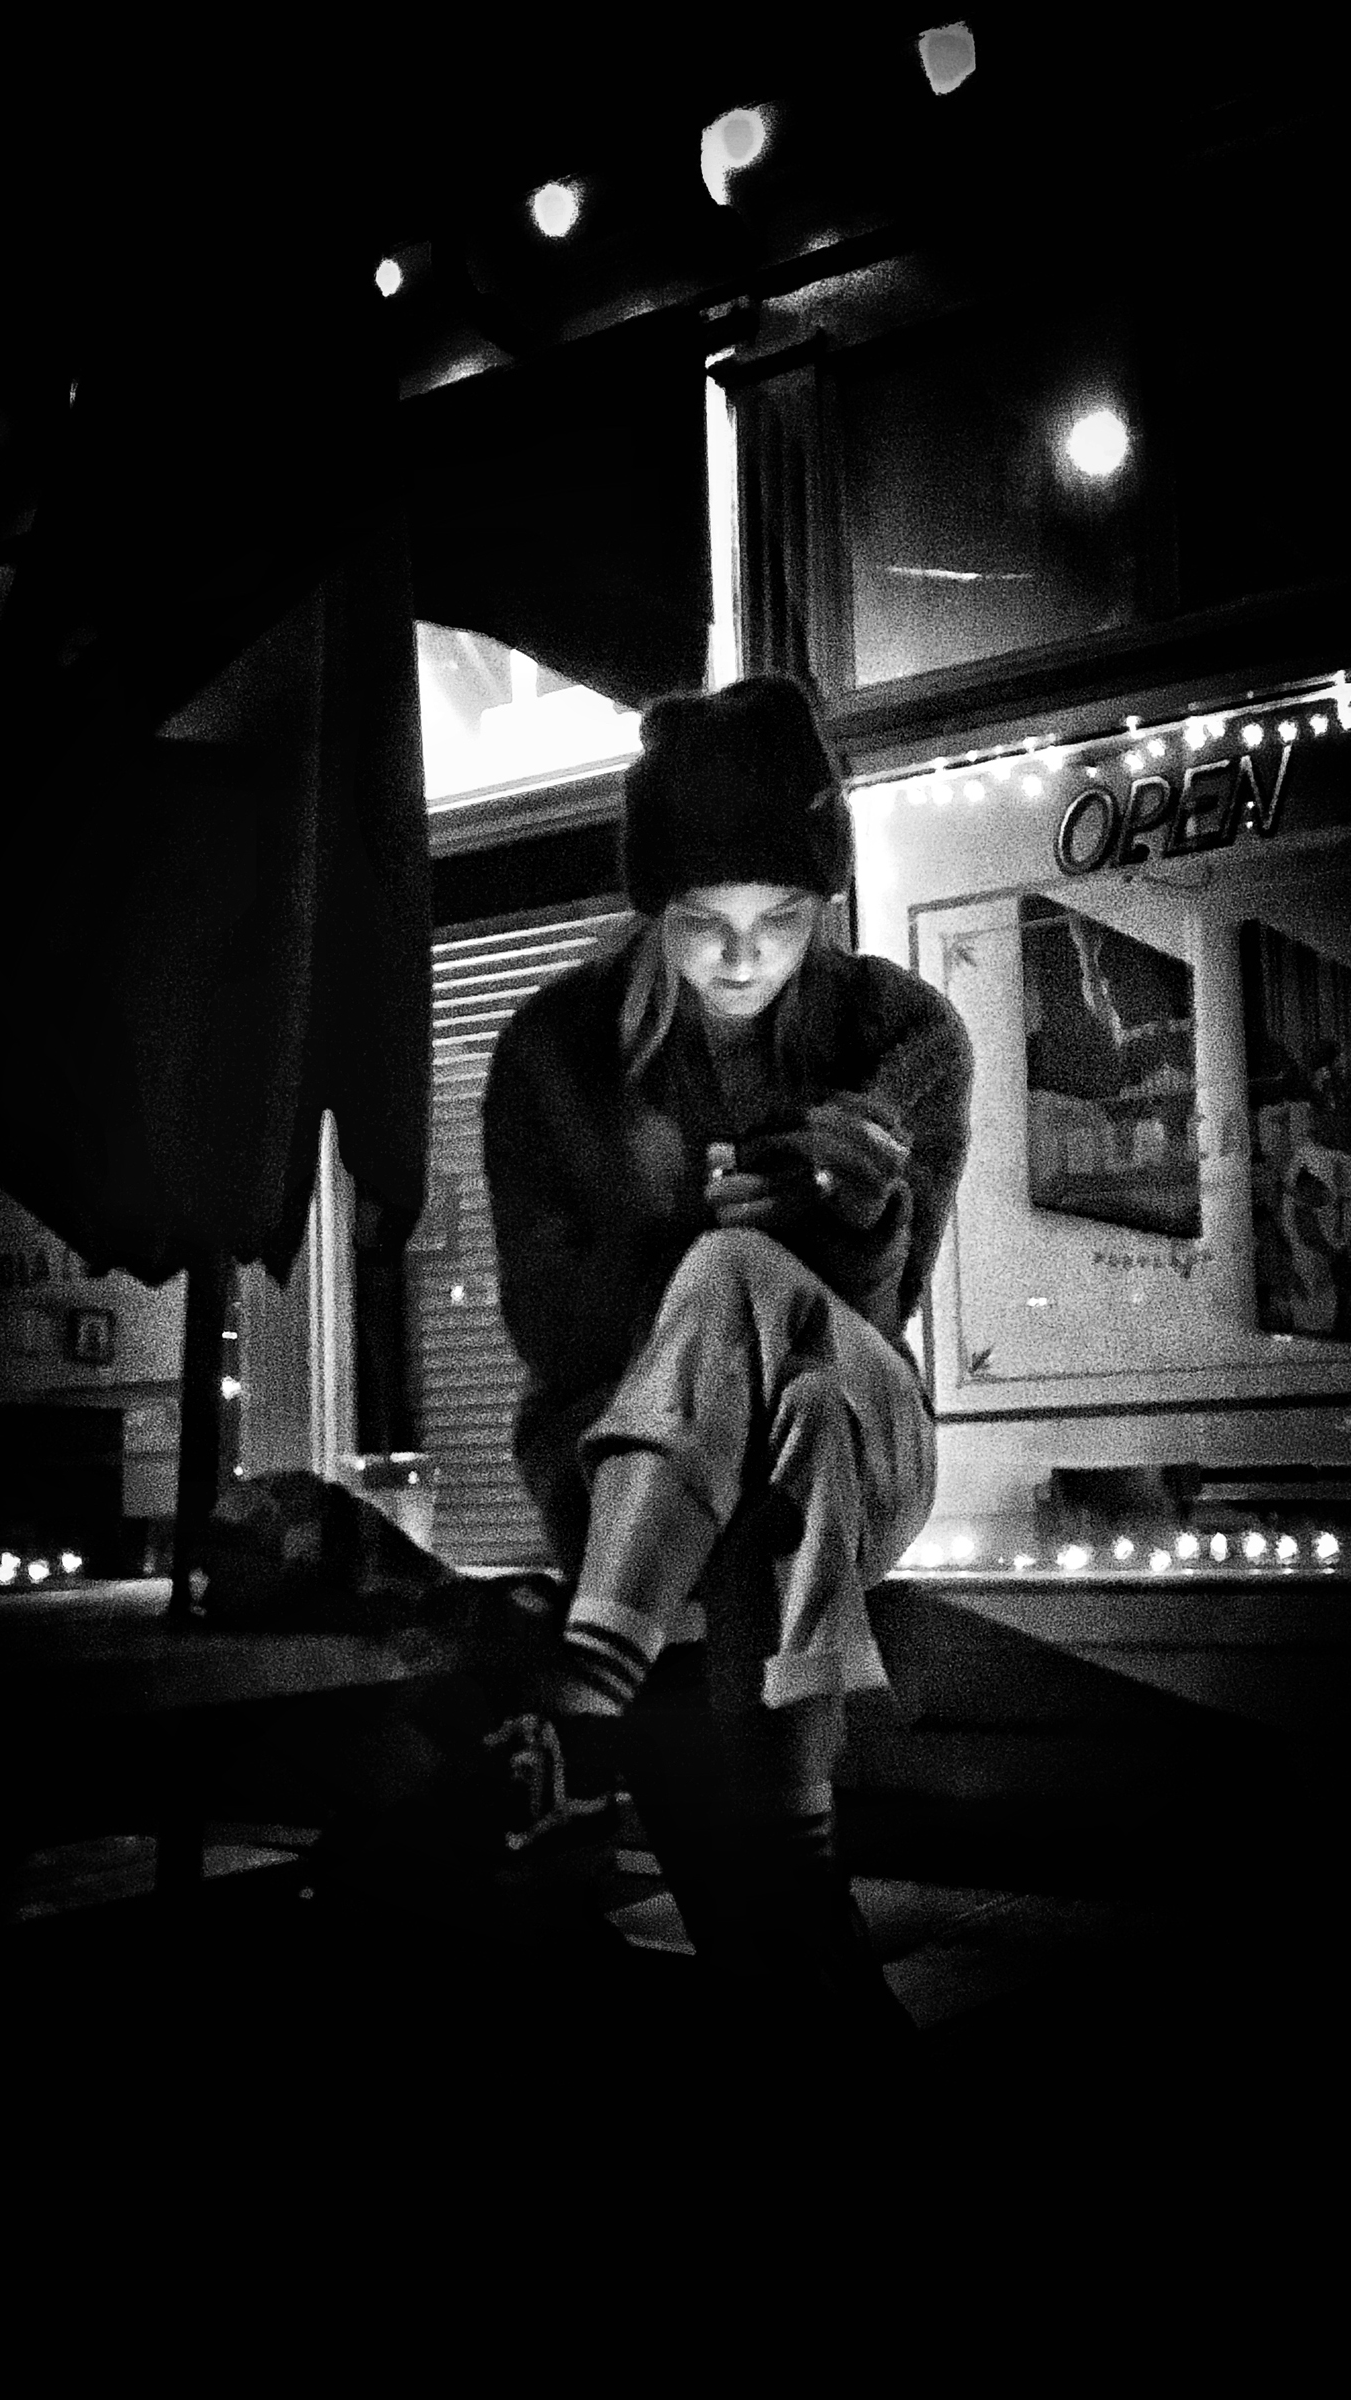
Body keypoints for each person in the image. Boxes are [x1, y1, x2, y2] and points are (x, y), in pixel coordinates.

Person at [479, 674, 974, 2051]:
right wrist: (690, 1237)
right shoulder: (558, 1055)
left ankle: (587, 1682)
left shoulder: (904, 1037)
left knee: (769, 1315)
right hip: (656, 1480)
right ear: (653, 911)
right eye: (702, 925)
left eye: (782, 921)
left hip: (865, 1442)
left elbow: (890, 1324)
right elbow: (554, 1342)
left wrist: (860, 1218)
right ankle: (812, 1923)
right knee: (763, 1366)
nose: (743, 958)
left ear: (829, 908)